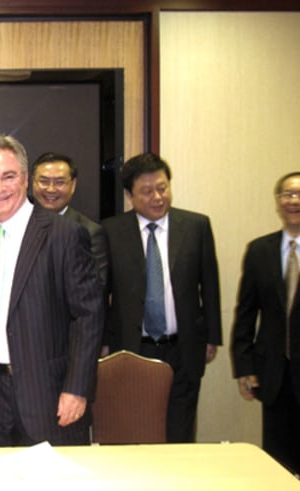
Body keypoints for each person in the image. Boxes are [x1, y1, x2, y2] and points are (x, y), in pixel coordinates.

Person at [0, 135, 103, 446]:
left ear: (26, 179)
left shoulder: (65, 235)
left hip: (51, 394)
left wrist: (76, 388)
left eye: (9, 177)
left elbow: (89, 316)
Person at [102, 152, 221, 443]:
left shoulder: (196, 226)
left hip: (183, 345)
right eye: (146, 191)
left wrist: (212, 336)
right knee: (135, 427)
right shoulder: (110, 231)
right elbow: (100, 293)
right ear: (129, 195)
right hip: (132, 346)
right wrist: (103, 341)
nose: (157, 197)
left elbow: (210, 284)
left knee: (180, 429)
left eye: (162, 188)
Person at [231, 172, 300, 476]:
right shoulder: (260, 250)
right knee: (276, 464)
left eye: (299, 194)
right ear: (277, 202)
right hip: (274, 375)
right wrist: (244, 366)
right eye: (287, 194)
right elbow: (245, 312)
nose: (294, 200)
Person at [31, 152, 109, 290]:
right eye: (43, 181)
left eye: (60, 182)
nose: (51, 189)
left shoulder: (90, 231)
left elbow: (94, 289)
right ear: (32, 183)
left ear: (73, 185)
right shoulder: (20, 224)